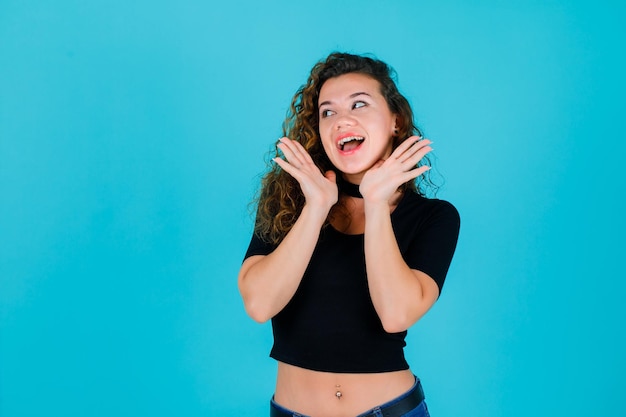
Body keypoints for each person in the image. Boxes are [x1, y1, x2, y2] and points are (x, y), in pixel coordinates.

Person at [238, 52, 460, 417]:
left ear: (396, 121)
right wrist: (315, 208)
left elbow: (395, 314)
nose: (342, 120)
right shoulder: (288, 205)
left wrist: (376, 204)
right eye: (328, 112)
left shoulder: (434, 218)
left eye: (359, 104)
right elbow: (260, 304)